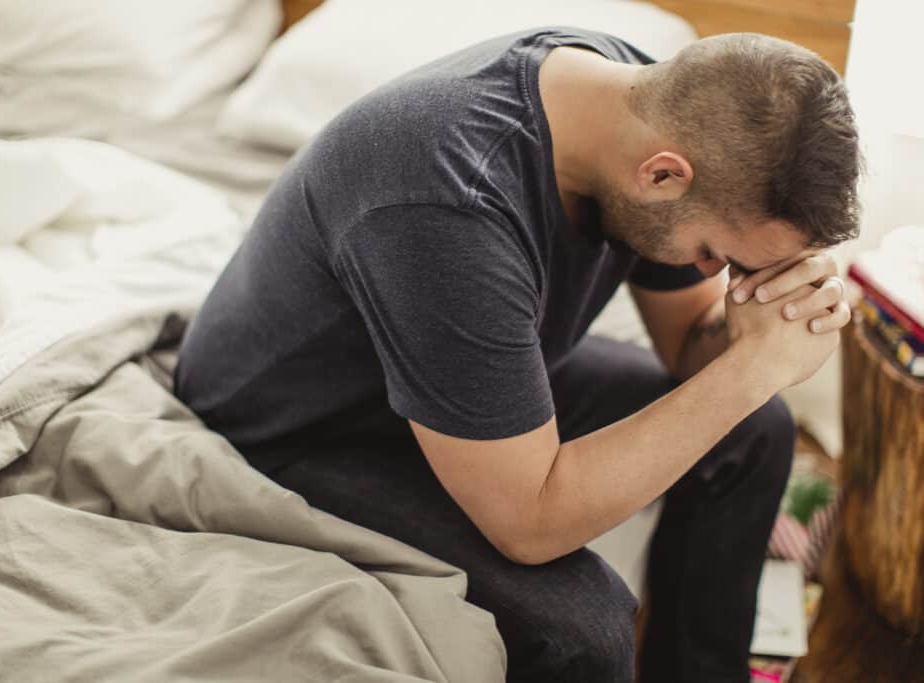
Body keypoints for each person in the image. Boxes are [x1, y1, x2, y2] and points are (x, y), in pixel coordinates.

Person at [174, 27, 860, 683]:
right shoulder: (445, 203)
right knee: (583, 630)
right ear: (661, 176)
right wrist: (752, 368)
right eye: (720, 254)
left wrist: (765, 326)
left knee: (755, 430)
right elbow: (530, 525)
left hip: (440, 380)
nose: (715, 272)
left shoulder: (642, 109)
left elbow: (688, 343)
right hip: (298, 427)